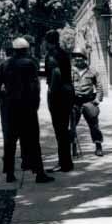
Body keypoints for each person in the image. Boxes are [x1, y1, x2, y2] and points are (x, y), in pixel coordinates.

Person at [0, 37, 53, 183]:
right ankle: (39, 173)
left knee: (9, 142)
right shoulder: (30, 64)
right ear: (26, 49)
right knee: (33, 141)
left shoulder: (4, 65)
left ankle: (9, 174)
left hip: (9, 108)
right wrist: (36, 103)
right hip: (27, 108)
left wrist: (3, 98)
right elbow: (35, 86)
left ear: (13, 50)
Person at [45, 27, 75, 172]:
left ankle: (64, 163)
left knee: (60, 130)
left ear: (47, 42)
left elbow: (56, 73)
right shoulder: (64, 53)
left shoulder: (52, 54)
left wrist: (51, 90)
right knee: (64, 128)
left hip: (59, 94)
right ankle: (66, 162)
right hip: (68, 92)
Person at [71, 47, 104, 157]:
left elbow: (99, 86)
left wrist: (98, 99)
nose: (78, 59)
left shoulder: (92, 71)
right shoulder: (70, 71)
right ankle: (73, 147)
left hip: (88, 101)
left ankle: (98, 146)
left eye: (80, 57)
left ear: (85, 58)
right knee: (71, 126)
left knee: (94, 125)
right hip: (74, 102)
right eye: (76, 58)